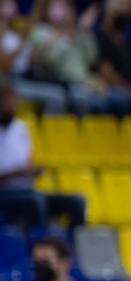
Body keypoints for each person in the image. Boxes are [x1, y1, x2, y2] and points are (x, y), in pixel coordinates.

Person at [0, 80, 85, 230]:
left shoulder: (21, 128)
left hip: (26, 189)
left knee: (77, 201)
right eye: (6, 101)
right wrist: (15, 173)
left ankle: (68, 247)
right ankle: (42, 245)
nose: (11, 105)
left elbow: (28, 160)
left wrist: (33, 170)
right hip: (5, 193)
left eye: (13, 100)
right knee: (36, 201)